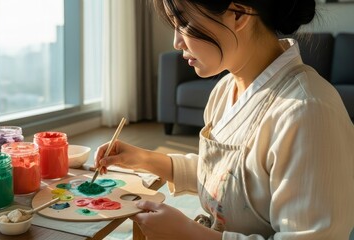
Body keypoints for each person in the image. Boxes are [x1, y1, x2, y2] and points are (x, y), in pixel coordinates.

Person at [95, 0, 354, 239]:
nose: (176, 42)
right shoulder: (224, 90)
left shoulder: (308, 112)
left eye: (183, 21)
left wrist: (190, 234)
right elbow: (230, 176)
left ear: (238, 13)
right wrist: (144, 159)